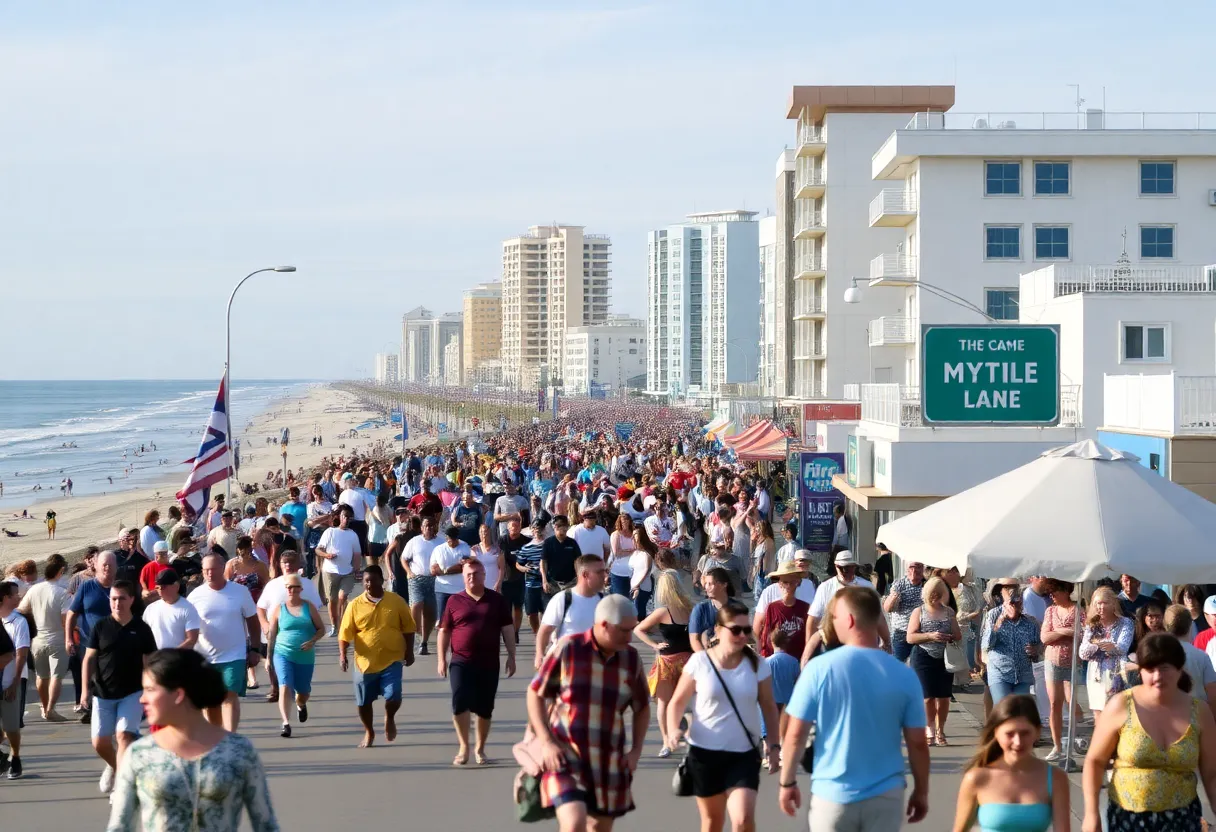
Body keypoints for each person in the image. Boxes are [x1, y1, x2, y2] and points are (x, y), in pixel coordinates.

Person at [778, 586, 930, 828]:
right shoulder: (904, 674)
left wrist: (787, 783)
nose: (831, 624)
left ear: (849, 620)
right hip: (886, 794)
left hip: (832, 794)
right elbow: (918, 743)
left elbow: (795, 734)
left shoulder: (818, 670)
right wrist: (921, 792)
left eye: (834, 618)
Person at [106, 648, 279, 832]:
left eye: (150, 690)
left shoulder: (238, 751)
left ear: (178, 695)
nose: (142, 699)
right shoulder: (140, 754)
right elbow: (119, 827)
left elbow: (266, 825)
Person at [526, 595, 649, 831]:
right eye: (624, 631)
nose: (630, 637)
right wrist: (546, 742)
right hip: (564, 757)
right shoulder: (568, 649)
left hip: (609, 762)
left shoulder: (631, 659)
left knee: (599, 827)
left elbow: (642, 707)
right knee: (574, 822)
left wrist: (636, 751)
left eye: (632, 629)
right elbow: (535, 693)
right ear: (604, 624)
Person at [1082, 632, 1216, 832]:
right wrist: (1091, 815)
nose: (1157, 676)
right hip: (1128, 819)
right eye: (1150, 669)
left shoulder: (1199, 711)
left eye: (1165, 668)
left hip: (1183, 819)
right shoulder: (1121, 705)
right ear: (1140, 670)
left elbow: (1212, 773)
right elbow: (1094, 761)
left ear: (1180, 669)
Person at [665, 600, 781, 832]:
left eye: (746, 630)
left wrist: (774, 745)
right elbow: (676, 702)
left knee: (743, 818)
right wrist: (672, 731)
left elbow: (768, 705)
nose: (742, 636)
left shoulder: (757, 664)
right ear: (718, 630)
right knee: (712, 822)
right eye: (735, 630)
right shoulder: (700, 662)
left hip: (744, 753)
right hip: (705, 754)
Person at [80, 580, 157, 795]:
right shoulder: (101, 626)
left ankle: (122, 790)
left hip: (132, 693)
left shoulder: (141, 629)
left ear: (131, 599)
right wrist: (85, 691)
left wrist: (152, 689)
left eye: (122, 598)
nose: (117, 603)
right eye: (113, 599)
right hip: (103, 694)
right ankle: (115, 766)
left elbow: (150, 662)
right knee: (100, 742)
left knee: (124, 735)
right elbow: (88, 659)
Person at [437, 559, 515, 766]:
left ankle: (480, 749)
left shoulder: (496, 600)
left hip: (489, 662)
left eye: (476, 574)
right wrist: (441, 659)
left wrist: (511, 656)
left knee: (484, 708)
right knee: (459, 701)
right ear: (463, 577)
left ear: (483, 575)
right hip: (461, 661)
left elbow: (507, 628)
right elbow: (444, 631)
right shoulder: (454, 601)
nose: (472, 577)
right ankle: (464, 746)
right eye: (468, 574)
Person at [952, 694, 1070, 832]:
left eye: (1025, 733)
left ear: (1038, 732)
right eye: (1010, 734)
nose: (1018, 742)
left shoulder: (1055, 778)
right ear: (996, 732)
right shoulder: (977, 778)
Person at [338, 565, 416, 749]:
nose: (369, 584)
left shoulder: (396, 601)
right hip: (365, 663)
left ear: (382, 580)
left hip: (392, 659)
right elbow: (345, 633)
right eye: (366, 580)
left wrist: (410, 651)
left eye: (373, 580)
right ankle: (369, 731)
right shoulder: (354, 605)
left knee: (394, 695)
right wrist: (343, 655)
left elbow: (409, 628)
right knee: (363, 702)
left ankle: (389, 717)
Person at [189, 553, 261, 731]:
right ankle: (216, 738)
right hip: (205, 657)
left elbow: (252, 620)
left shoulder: (239, 591)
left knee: (229, 696)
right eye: (206, 570)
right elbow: (187, 626)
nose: (210, 573)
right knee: (211, 703)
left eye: (213, 569)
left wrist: (255, 649)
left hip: (234, 655)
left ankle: (230, 737)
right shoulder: (195, 596)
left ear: (223, 568)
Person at [634, 570, 694, 758]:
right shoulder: (678, 609)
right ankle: (670, 739)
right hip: (677, 661)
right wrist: (654, 645)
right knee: (673, 702)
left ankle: (673, 739)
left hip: (680, 661)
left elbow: (639, 629)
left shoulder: (681, 609)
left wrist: (655, 645)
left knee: (673, 703)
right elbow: (639, 629)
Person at [906, 575, 962, 747]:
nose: (935, 598)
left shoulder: (949, 612)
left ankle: (940, 730)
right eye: (932, 594)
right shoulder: (919, 611)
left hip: (944, 657)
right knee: (928, 697)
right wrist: (930, 636)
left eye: (938, 594)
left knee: (944, 696)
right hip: (923, 656)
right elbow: (910, 637)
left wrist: (949, 637)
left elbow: (958, 635)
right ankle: (929, 728)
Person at [267, 572, 324, 738]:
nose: (291, 590)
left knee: (304, 692)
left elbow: (321, 629)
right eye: (289, 587)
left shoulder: (308, 607)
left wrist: (312, 641)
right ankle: (286, 723)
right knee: (285, 686)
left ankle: (301, 704)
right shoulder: (279, 609)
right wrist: (268, 658)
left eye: (295, 587)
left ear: (300, 589)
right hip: (282, 653)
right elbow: (272, 635)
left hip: (305, 657)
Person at [66, 549, 119, 721]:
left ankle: (103, 709)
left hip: (116, 644)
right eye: (104, 565)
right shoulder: (86, 587)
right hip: (89, 642)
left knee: (109, 679)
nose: (107, 568)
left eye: (111, 565)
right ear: (96, 566)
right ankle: (88, 705)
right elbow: (71, 613)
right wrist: (68, 638)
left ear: (116, 567)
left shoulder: (121, 588)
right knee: (91, 676)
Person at [18, 558, 70, 721]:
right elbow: (64, 619)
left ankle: (44, 705)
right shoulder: (62, 592)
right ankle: (50, 709)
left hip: (38, 638)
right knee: (56, 676)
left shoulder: (34, 590)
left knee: (41, 676)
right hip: (57, 638)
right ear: (60, 572)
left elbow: (22, 609)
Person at [535, 555, 608, 666]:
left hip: (597, 665)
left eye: (605, 571)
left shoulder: (606, 600)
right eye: (600, 572)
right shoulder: (563, 599)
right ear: (585, 575)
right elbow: (545, 631)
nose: (605, 576)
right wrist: (540, 655)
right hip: (567, 665)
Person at [1039, 579, 1082, 761]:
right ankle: (1057, 746)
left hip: (1072, 661)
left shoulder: (1079, 610)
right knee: (1055, 703)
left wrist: (1060, 632)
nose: (1052, 596)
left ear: (1065, 590)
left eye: (1055, 592)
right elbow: (1044, 637)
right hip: (1053, 660)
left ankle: (1074, 738)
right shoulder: (1050, 611)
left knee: (1072, 702)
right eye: (1050, 593)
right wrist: (1066, 632)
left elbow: (1082, 633)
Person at [981, 577, 1042, 705]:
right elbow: (986, 644)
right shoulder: (993, 615)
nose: (1015, 604)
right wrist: (999, 622)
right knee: (1004, 711)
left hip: (1023, 675)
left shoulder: (1030, 622)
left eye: (1018, 601)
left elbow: (1038, 651)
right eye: (1011, 602)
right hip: (1000, 672)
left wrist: (1035, 650)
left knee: (1020, 713)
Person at [1079, 585, 1133, 716]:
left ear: (1113, 604)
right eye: (1098, 603)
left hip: (1116, 674)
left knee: (1115, 715)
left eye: (1105, 603)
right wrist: (1100, 646)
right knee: (1098, 714)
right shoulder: (1091, 625)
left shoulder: (1125, 623)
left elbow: (1121, 647)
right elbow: (1083, 653)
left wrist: (1098, 645)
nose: (1101, 607)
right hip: (1096, 675)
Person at [1163, 605, 1216, 718]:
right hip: (1196, 718)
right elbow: (1213, 696)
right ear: (1190, 625)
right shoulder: (1201, 657)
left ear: (1166, 626)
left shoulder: (1158, 655)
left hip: (1166, 719)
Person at [0, 581, 30, 778]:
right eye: (14, 595)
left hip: (12, 680)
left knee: (11, 726)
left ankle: (15, 756)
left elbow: (21, 653)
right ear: (4, 598)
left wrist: (15, 682)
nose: (19, 597)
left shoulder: (19, 621)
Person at [317, 505, 360, 637]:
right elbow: (318, 549)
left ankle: (343, 624)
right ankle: (334, 626)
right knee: (332, 600)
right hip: (329, 571)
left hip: (347, 572)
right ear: (339, 517)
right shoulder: (330, 532)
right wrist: (326, 555)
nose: (346, 519)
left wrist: (356, 570)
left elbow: (357, 554)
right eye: (344, 516)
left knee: (343, 597)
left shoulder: (353, 535)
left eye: (349, 517)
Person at [756, 562, 811, 660]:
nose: (788, 586)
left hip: (799, 660)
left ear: (798, 583)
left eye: (792, 582)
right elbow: (766, 637)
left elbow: (809, 635)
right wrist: (766, 658)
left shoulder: (805, 607)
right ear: (780, 583)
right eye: (785, 582)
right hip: (778, 660)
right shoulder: (772, 608)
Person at [141, 569, 200, 650]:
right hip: (155, 659)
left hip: (178, 660)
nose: (160, 591)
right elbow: (143, 636)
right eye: (157, 587)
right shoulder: (150, 609)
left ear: (176, 586)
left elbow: (191, 640)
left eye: (163, 587)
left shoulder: (188, 608)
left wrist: (170, 656)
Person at [883, 559, 925, 663]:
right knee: (898, 663)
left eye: (918, 567)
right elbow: (887, 608)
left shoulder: (927, 585)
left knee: (918, 664)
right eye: (912, 567)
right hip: (901, 631)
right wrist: (893, 597)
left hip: (920, 631)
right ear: (907, 569)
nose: (914, 571)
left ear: (923, 569)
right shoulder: (899, 584)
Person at [430, 525, 472, 625]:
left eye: (454, 539)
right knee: (442, 621)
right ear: (446, 538)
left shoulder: (465, 547)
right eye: (449, 538)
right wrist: (454, 568)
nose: (451, 541)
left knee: (460, 620)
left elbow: (464, 567)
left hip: (460, 589)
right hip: (442, 589)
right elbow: (433, 570)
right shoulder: (438, 549)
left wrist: (445, 571)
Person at [516, 518, 548, 635]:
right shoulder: (526, 547)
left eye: (539, 528)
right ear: (531, 529)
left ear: (544, 529)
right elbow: (518, 564)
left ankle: (545, 636)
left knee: (545, 612)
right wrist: (524, 569)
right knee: (531, 613)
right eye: (535, 528)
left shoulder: (548, 545)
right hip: (531, 583)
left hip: (546, 584)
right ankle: (537, 634)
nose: (537, 531)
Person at [499, 515, 529, 641]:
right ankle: (507, 633)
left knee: (518, 607)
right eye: (512, 526)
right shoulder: (503, 540)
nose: (514, 528)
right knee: (506, 609)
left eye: (517, 526)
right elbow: (500, 557)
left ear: (520, 527)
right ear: (508, 527)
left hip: (520, 579)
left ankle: (516, 631)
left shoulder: (526, 541)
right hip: (506, 578)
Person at [690, 567, 733, 652]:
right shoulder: (700, 609)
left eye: (710, 584)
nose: (706, 587)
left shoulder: (736, 608)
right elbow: (694, 640)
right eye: (706, 584)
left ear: (724, 584)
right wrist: (707, 660)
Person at [470, 521, 505, 593]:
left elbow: (502, 569)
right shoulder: (474, 549)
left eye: (486, 532)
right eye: (482, 532)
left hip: (494, 585)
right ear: (479, 534)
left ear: (490, 533)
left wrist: (499, 583)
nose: (484, 534)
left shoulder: (498, 550)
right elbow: (471, 568)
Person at [607, 514, 638, 597]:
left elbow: (638, 549)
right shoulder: (616, 535)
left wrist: (625, 551)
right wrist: (632, 551)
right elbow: (616, 553)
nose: (625, 523)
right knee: (620, 599)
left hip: (633, 572)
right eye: (623, 521)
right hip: (619, 573)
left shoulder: (634, 533)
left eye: (627, 521)